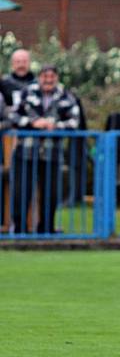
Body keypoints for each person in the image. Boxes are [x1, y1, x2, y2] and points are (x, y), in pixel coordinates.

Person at [10, 64, 80, 234]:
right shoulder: (26, 93)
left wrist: (55, 126)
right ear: (39, 77)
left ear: (57, 78)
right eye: (45, 77)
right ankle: (20, 229)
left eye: (52, 77)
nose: (48, 80)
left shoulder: (66, 96)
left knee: (51, 193)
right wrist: (32, 123)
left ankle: (46, 228)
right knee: (21, 191)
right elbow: (12, 115)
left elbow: (74, 122)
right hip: (25, 152)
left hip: (52, 153)